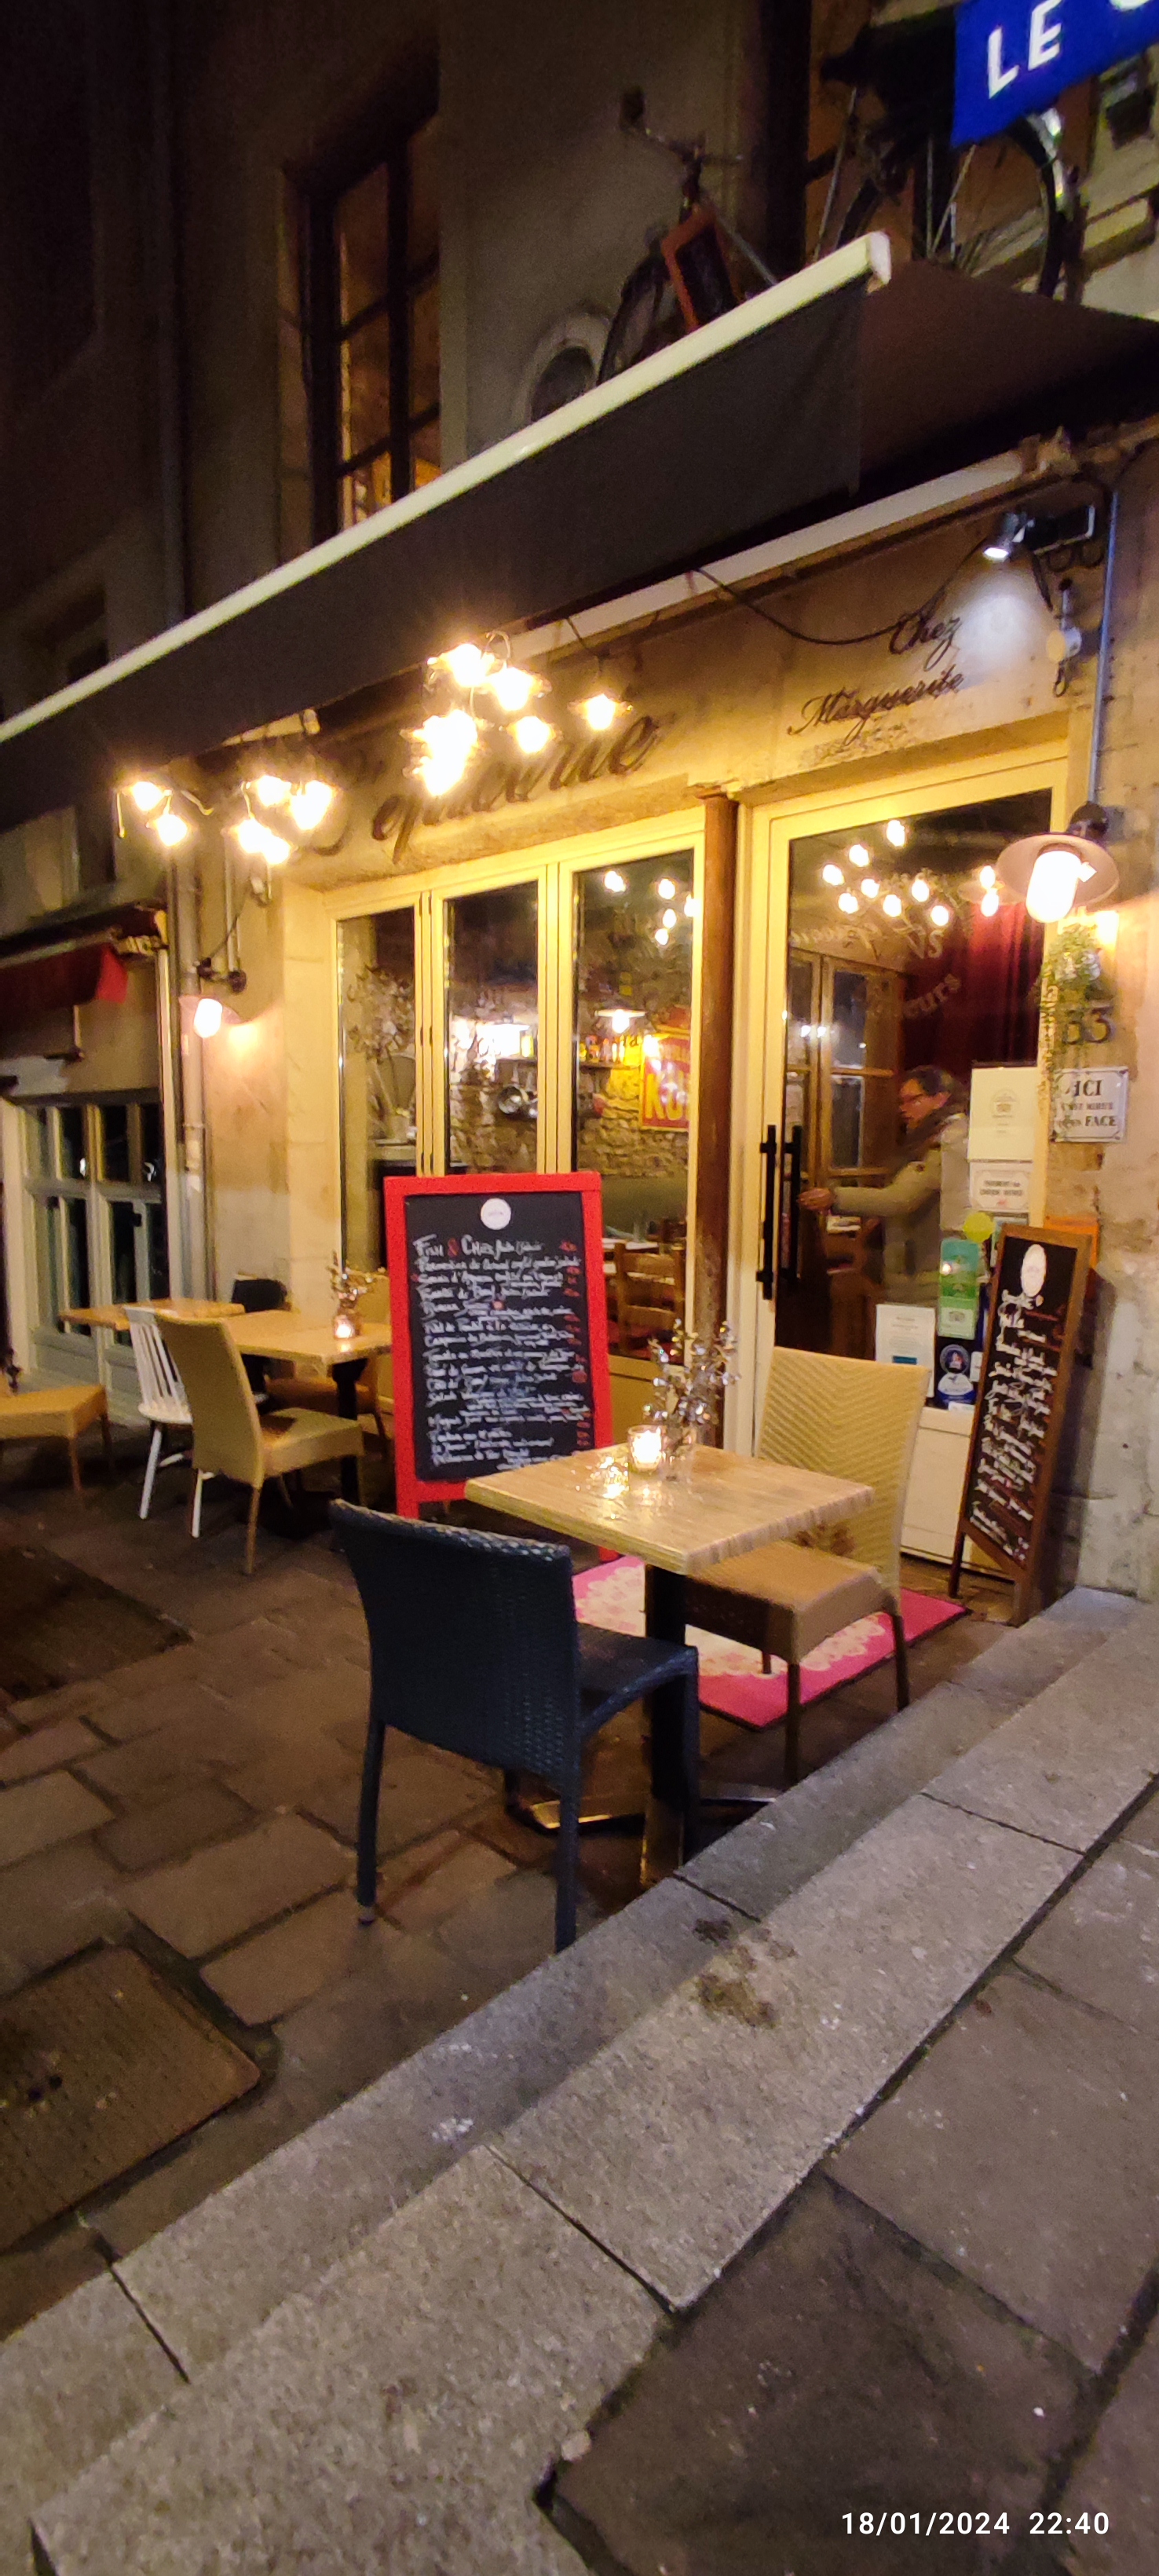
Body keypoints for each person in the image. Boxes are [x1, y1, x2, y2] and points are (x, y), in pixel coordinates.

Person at [800, 1064, 969, 1306]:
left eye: (913, 1100)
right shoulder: (932, 1136)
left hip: (930, 1272)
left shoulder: (948, 1141)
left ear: (940, 1099)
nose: (904, 1109)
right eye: (902, 1101)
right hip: (928, 1268)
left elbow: (900, 1198)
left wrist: (835, 1197)